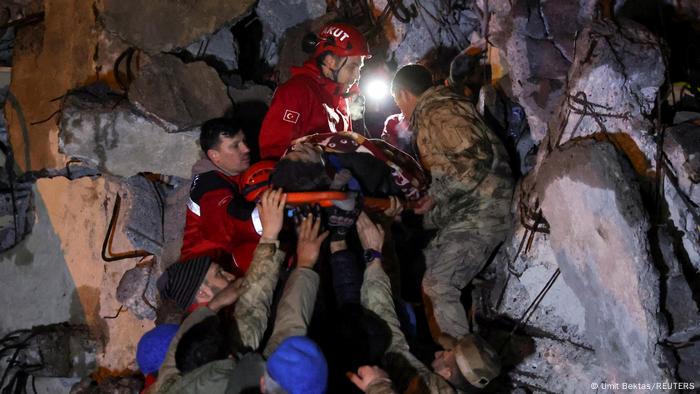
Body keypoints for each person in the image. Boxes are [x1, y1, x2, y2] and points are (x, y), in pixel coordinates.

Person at [391, 64, 514, 342]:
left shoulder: (439, 112)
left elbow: (474, 162)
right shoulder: (437, 111)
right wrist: (420, 214)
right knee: (426, 266)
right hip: (472, 208)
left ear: (404, 94)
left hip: (486, 211)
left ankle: (464, 367)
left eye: (398, 101)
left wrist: (433, 196)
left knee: (438, 284)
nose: (400, 109)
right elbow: (459, 180)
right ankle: (448, 351)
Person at [153, 213, 330, 394]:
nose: (231, 275)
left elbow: (172, 361)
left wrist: (214, 305)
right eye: (220, 273)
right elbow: (282, 332)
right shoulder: (245, 384)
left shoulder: (173, 384)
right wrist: (304, 265)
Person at [348, 213, 501, 393]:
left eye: (445, 354)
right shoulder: (448, 384)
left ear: (446, 373)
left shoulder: (427, 386)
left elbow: (388, 336)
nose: (438, 352)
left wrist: (373, 254)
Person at [158, 189, 287, 354]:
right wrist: (270, 234)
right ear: (203, 294)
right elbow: (253, 304)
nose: (231, 275)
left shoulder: (210, 326)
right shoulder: (224, 340)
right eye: (219, 274)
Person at [258, 23, 370, 159]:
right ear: (330, 61)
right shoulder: (297, 92)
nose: (357, 76)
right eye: (353, 67)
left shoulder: (342, 101)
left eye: (360, 68)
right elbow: (273, 152)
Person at [179, 117, 261, 275]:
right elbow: (227, 222)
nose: (246, 149)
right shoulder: (208, 186)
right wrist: (266, 216)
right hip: (203, 282)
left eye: (243, 141)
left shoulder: (233, 172)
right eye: (235, 146)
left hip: (222, 267)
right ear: (215, 156)